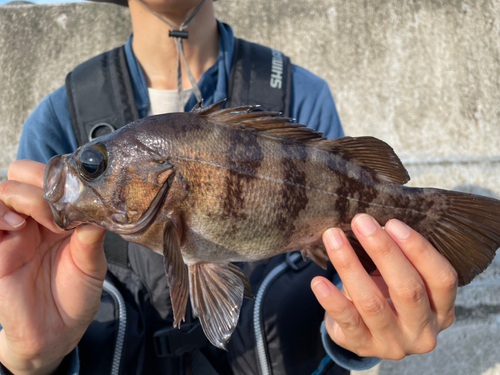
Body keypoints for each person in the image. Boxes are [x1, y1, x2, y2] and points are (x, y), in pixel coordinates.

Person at [0, 0, 458, 374]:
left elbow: (349, 280)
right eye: (94, 164)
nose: (83, 172)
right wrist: (28, 359)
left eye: (94, 165)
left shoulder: (304, 95)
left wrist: (366, 329)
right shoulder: (57, 119)